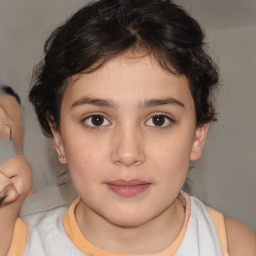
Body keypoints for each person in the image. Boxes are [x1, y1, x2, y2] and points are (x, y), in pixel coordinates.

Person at [1, 0, 255, 255]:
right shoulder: (16, 245)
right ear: (58, 137)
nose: (128, 154)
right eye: (97, 120)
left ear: (198, 135)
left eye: (158, 120)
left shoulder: (234, 246)